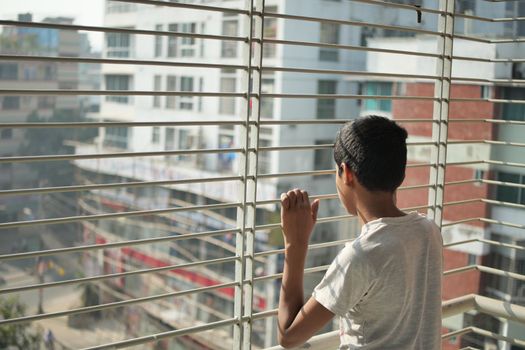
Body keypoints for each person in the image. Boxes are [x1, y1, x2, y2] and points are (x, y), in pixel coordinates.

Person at [277, 115, 443, 349]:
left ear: (347, 173)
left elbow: (288, 336)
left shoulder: (361, 256)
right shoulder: (428, 231)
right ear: (400, 173)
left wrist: (295, 244)